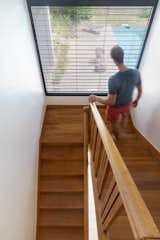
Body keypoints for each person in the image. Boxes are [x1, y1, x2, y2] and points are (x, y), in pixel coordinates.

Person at [89, 45, 142, 140]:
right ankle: (122, 130)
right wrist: (137, 100)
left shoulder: (113, 79)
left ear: (113, 60)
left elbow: (111, 102)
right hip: (127, 104)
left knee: (113, 122)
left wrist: (96, 98)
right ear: (123, 56)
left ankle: (116, 135)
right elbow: (140, 90)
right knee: (125, 115)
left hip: (115, 108)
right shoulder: (136, 73)